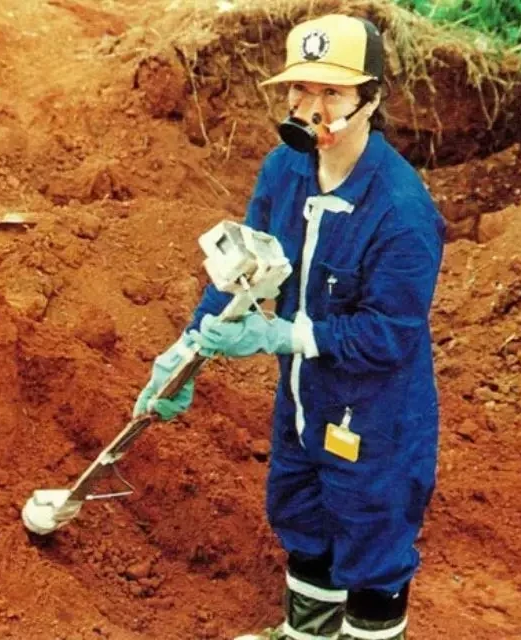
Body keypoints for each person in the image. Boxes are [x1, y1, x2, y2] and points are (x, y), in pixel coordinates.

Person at [134, 13, 445, 640]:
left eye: (332, 92)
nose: (312, 107)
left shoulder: (402, 212)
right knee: (301, 508)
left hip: (374, 412)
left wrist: (283, 336)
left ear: (371, 99)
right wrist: (189, 346)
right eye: (301, 89)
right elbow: (244, 268)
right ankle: (307, 634)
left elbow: (389, 335)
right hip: (304, 394)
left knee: (371, 536)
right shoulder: (285, 169)